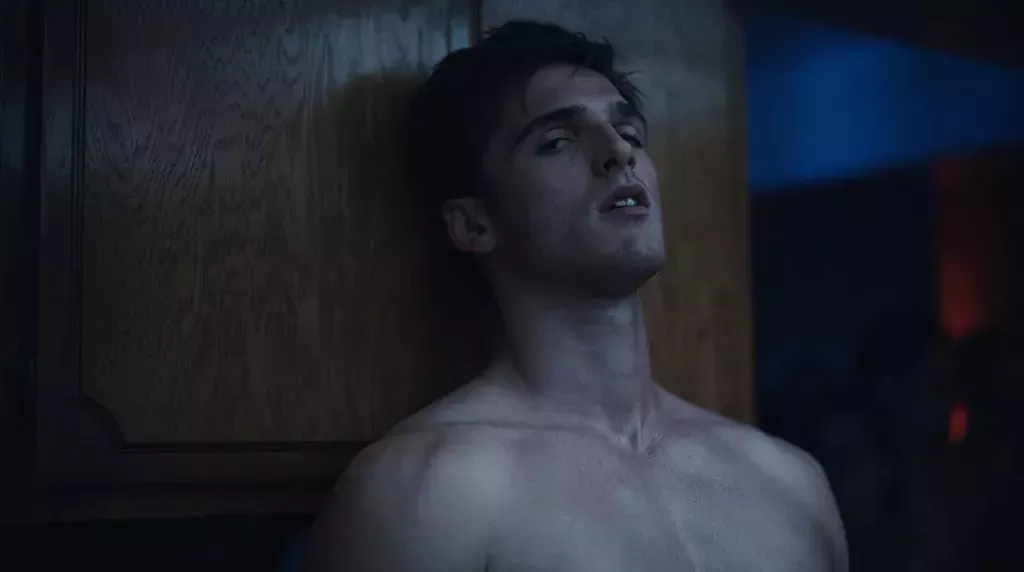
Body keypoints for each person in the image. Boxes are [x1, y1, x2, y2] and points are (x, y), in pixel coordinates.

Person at [303, 22, 847, 572]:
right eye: (557, 142)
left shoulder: (789, 480)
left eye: (629, 132)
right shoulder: (427, 492)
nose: (618, 152)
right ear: (474, 224)